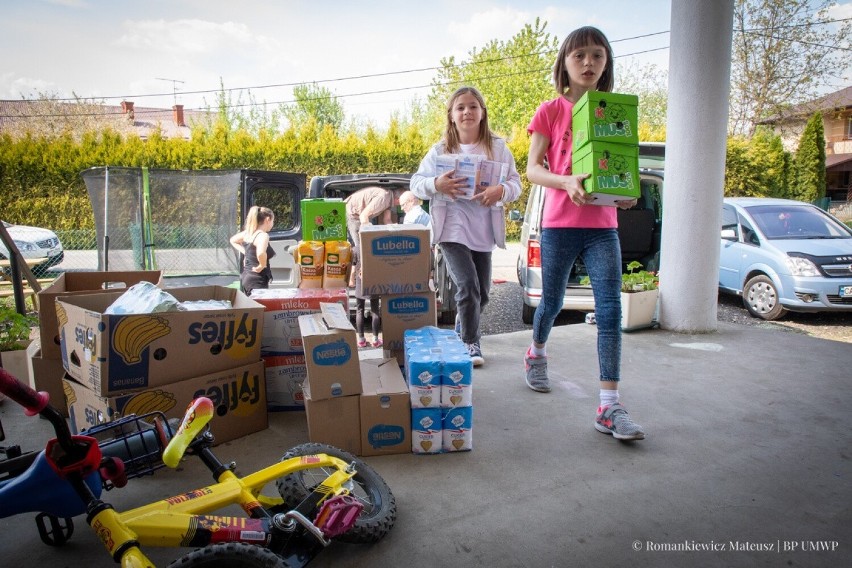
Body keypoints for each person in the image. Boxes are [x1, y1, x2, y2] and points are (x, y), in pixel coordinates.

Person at [523, 26, 644, 441]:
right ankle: (536, 352)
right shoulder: (550, 111)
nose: (588, 63)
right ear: (565, 63)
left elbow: (621, 166)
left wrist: (625, 194)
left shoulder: (613, 111)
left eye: (597, 55)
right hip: (558, 224)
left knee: (610, 310)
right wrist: (566, 182)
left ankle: (609, 406)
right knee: (552, 302)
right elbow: (533, 169)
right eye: (579, 56)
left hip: (602, 228)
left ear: (606, 62)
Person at [411, 86, 521, 367]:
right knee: (468, 286)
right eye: (460, 107)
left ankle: (463, 324)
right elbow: (416, 184)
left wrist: (501, 191)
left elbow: (516, 184)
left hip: (483, 230)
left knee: (482, 293)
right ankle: (470, 343)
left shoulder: (498, 148)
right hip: (451, 228)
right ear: (451, 116)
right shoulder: (439, 150)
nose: (467, 112)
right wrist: (437, 184)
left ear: (482, 113)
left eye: (473, 106)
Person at [230, 205, 275, 295]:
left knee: (251, 307)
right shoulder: (263, 235)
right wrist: (262, 265)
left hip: (247, 277)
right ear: (267, 219)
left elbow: (233, 240)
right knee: (259, 308)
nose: (273, 224)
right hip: (257, 280)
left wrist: (246, 252)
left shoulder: (249, 233)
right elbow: (261, 253)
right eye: (273, 221)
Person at [352, 248, 382, 348]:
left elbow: (353, 269)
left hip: (360, 283)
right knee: (375, 311)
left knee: (359, 310)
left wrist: (351, 280)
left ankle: (361, 340)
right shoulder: (376, 246)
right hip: (374, 281)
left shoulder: (356, 249)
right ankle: (375, 340)